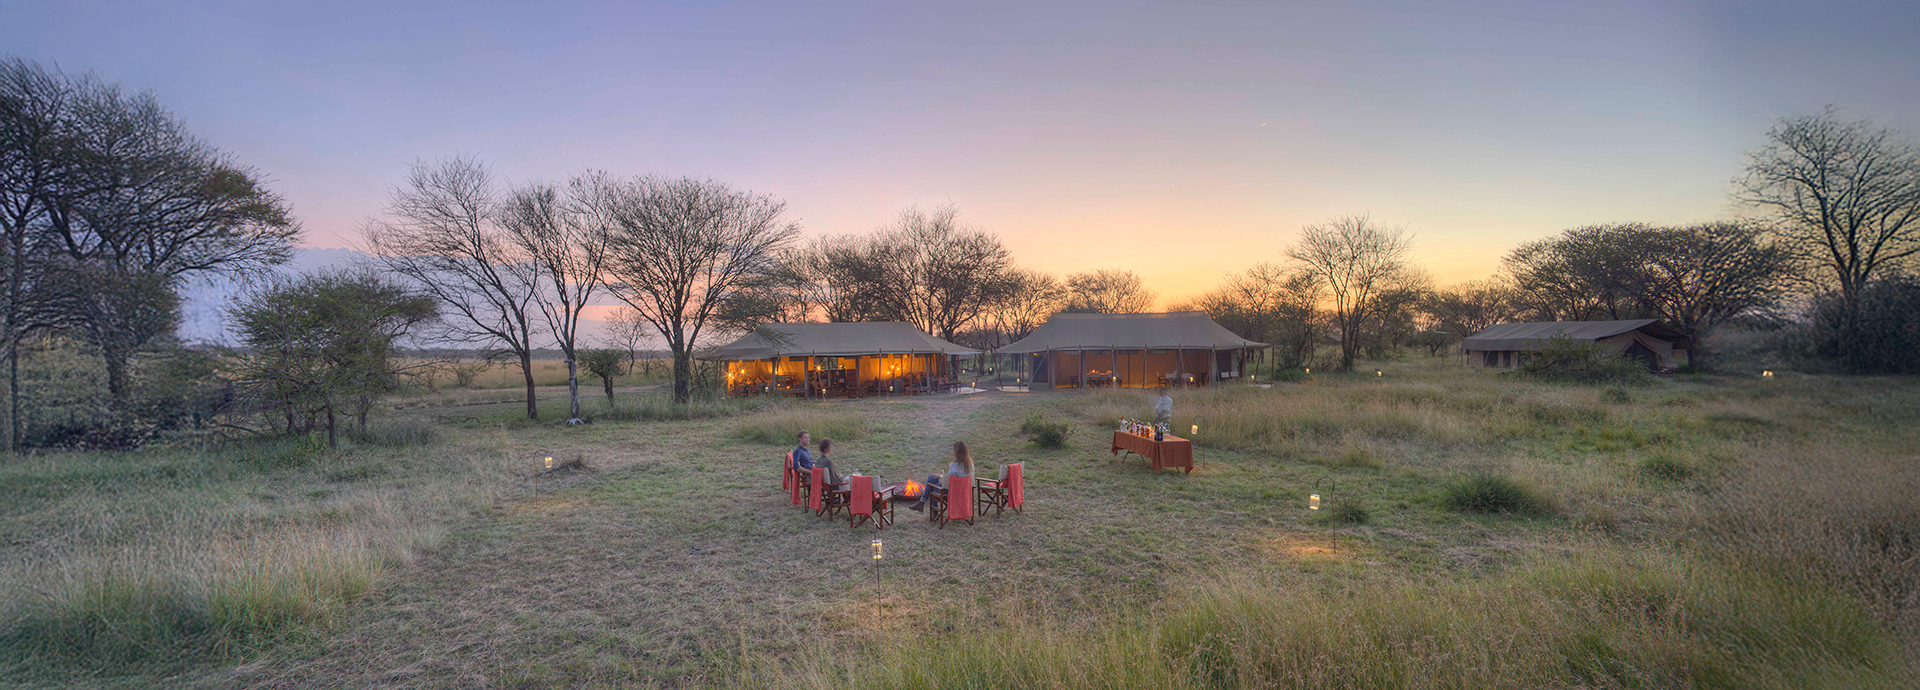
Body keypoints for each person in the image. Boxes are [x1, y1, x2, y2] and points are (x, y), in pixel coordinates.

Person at [907, 441, 974, 513]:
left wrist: (941, 479)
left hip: (952, 492)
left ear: (956, 452)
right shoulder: (970, 464)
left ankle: (930, 508)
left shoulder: (954, 465)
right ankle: (922, 503)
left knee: (931, 486)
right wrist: (940, 476)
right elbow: (955, 477)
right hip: (965, 491)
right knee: (931, 477)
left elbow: (948, 483)